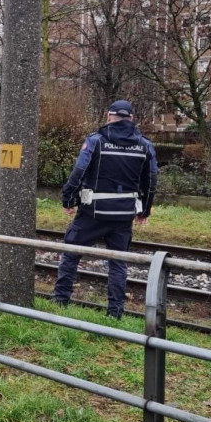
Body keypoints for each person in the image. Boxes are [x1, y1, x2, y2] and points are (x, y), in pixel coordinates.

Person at [51, 100, 158, 319]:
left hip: (93, 213)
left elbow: (79, 170)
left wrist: (68, 199)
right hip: (123, 215)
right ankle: (115, 312)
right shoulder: (145, 145)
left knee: (71, 253)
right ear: (131, 118)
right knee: (118, 262)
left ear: (109, 116)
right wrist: (144, 210)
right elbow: (151, 179)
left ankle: (60, 300)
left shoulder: (96, 141)